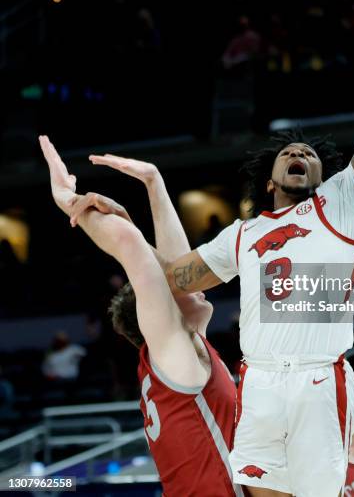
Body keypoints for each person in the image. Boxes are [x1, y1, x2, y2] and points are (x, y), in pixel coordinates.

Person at [73, 0, 354, 497]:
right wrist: (128, 226)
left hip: (318, 382)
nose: (299, 151)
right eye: (289, 151)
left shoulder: (344, 202)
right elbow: (172, 277)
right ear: (269, 182)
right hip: (258, 384)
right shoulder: (242, 236)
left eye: (309, 152)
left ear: (324, 177)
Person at [39, 136, 242, 497]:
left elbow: (179, 271)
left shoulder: (182, 358)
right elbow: (130, 247)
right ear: (160, 312)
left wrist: (153, 182)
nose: (192, 286)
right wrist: (66, 200)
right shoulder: (173, 353)